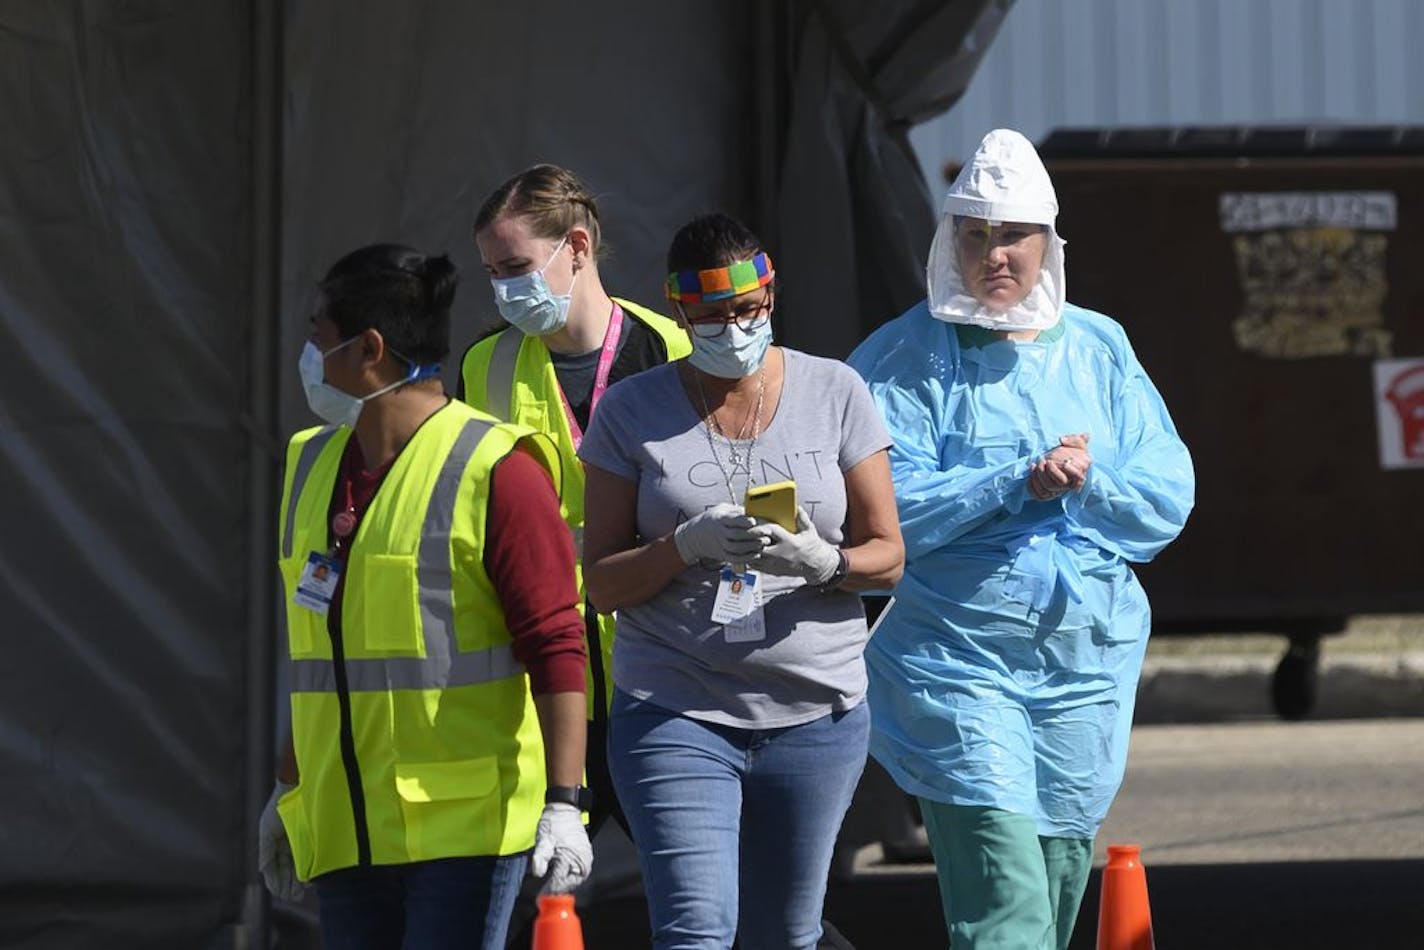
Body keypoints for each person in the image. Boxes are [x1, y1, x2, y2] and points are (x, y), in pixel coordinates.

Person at [847, 129, 1195, 949]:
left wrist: (1092, 480)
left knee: (1056, 883)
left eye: (1013, 235)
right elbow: (880, 510)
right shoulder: (905, 358)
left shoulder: (1099, 347)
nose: (994, 254)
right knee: (1005, 895)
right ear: (951, 239)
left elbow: (1166, 493)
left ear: (1048, 240)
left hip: (1083, 662)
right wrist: (1013, 482)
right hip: (959, 660)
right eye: (976, 235)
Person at [578, 212, 905, 950]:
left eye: (751, 311)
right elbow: (600, 582)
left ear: (771, 296)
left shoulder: (836, 391)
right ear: (678, 308)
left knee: (786, 933)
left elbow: (889, 552)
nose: (736, 329)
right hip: (674, 708)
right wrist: (683, 545)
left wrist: (827, 563)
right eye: (715, 316)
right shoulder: (632, 411)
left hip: (815, 713)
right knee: (697, 930)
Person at [256, 243, 594, 949]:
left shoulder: (497, 467)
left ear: (368, 348)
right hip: (347, 826)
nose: (309, 352)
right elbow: (323, 659)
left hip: (463, 833)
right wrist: (289, 792)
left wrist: (566, 802)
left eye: (319, 334)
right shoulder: (310, 463)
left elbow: (557, 644)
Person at [459, 164, 691, 838]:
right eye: (492, 272)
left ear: (579, 248)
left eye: (515, 266)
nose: (504, 288)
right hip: (546, 679)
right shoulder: (484, 363)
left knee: (705, 901)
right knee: (537, 899)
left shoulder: (670, 349)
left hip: (662, 673)